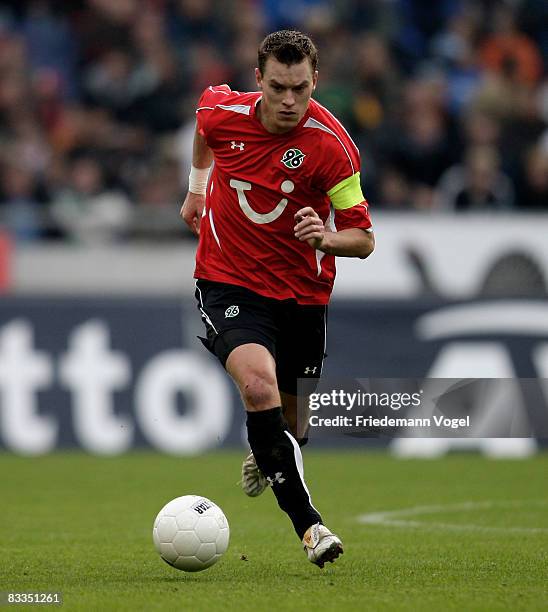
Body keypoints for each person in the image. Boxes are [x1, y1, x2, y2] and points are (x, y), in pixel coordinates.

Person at [180, 30, 375, 568]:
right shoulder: (223, 112)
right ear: (258, 79)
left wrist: (326, 238)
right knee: (258, 384)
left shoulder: (333, 149)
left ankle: (268, 449)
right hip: (227, 279)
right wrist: (197, 190)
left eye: (301, 89)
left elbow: (364, 239)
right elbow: (203, 128)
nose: (290, 101)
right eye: (279, 88)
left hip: (302, 294)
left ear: (316, 82)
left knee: (293, 426)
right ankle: (310, 528)